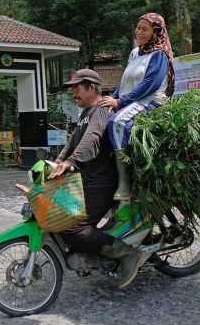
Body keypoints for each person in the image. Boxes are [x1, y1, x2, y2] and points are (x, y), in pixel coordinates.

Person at [48, 69, 146, 289]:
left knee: (73, 227)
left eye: (77, 88)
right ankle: (87, 253)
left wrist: (71, 163)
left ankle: (128, 254)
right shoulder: (85, 113)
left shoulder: (100, 111)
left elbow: (91, 141)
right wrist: (58, 162)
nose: (73, 92)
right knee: (58, 213)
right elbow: (72, 142)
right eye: (71, 88)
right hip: (86, 180)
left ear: (91, 88)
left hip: (102, 182)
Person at [98, 13, 175, 201]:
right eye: (138, 27)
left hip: (151, 102)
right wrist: (110, 98)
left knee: (118, 122)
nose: (138, 32)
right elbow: (126, 83)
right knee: (98, 115)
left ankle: (125, 182)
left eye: (145, 29)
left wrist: (119, 102)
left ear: (156, 32)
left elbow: (150, 85)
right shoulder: (136, 53)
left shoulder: (159, 55)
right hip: (133, 101)